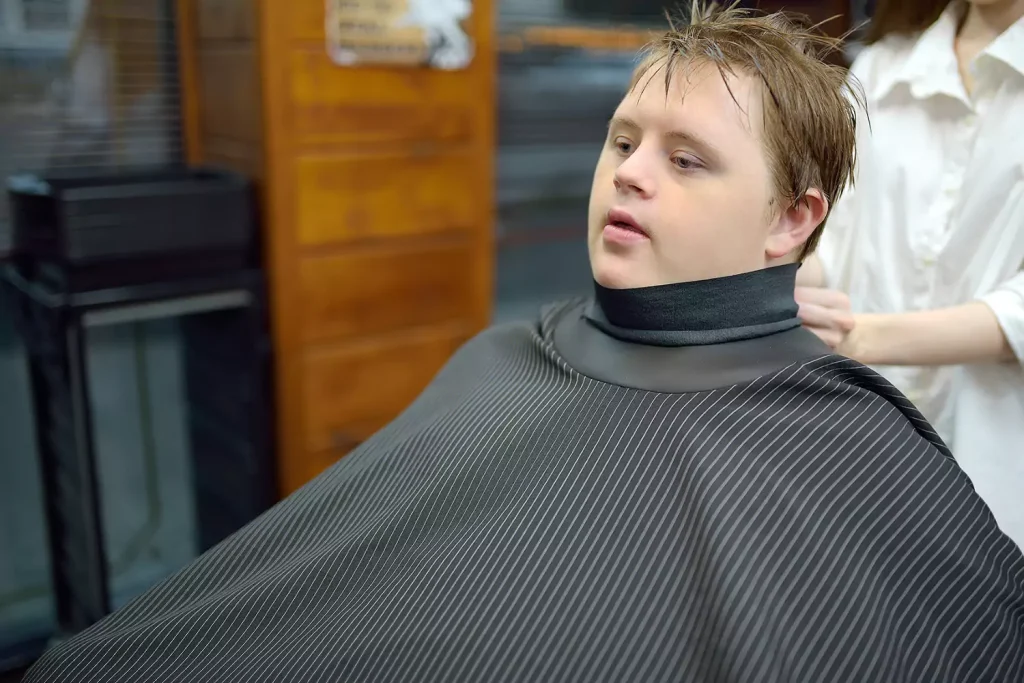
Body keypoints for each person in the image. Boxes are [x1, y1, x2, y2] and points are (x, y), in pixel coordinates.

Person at [23, 4, 1024, 682]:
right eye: (622, 141)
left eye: (686, 160)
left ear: (790, 220)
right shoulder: (503, 361)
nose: (629, 174)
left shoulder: (854, 456)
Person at [795, 0, 1024, 549]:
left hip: (994, 455)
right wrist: (769, 270)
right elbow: (833, 240)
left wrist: (860, 338)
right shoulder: (882, 67)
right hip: (855, 434)